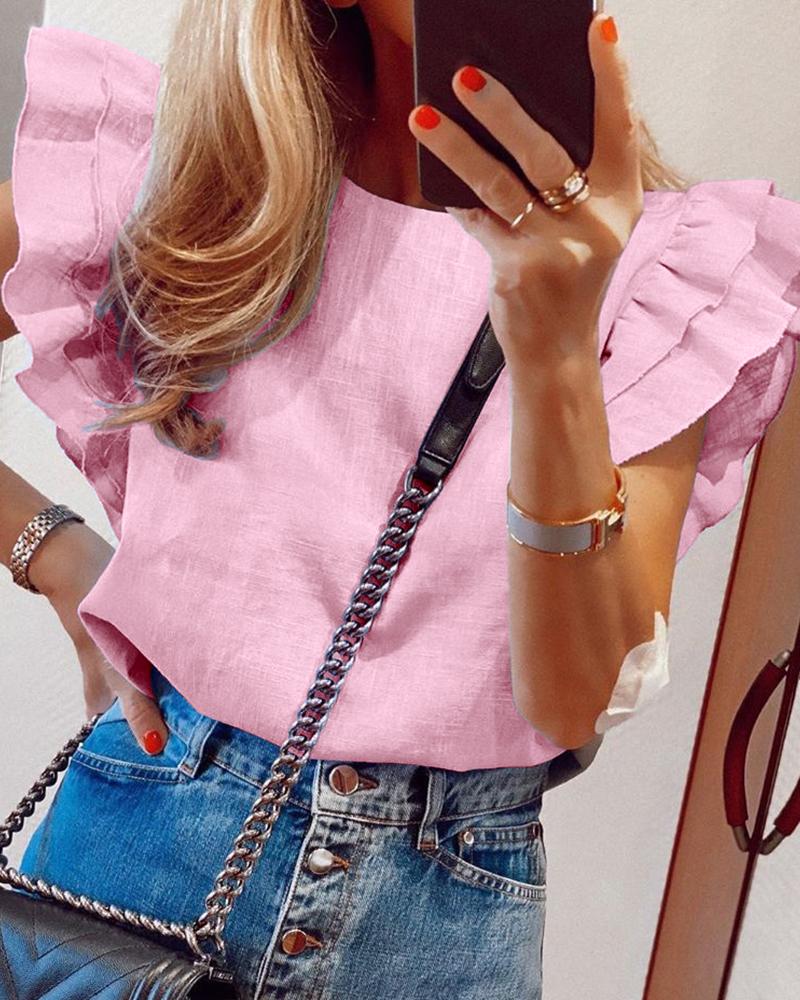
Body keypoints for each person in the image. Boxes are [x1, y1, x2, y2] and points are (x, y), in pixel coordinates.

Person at [1, 3, 799, 997]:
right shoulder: (188, 177)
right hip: (136, 854)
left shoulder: (664, 268)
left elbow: (573, 697)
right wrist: (49, 548)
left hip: (440, 923)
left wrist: (553, 343)